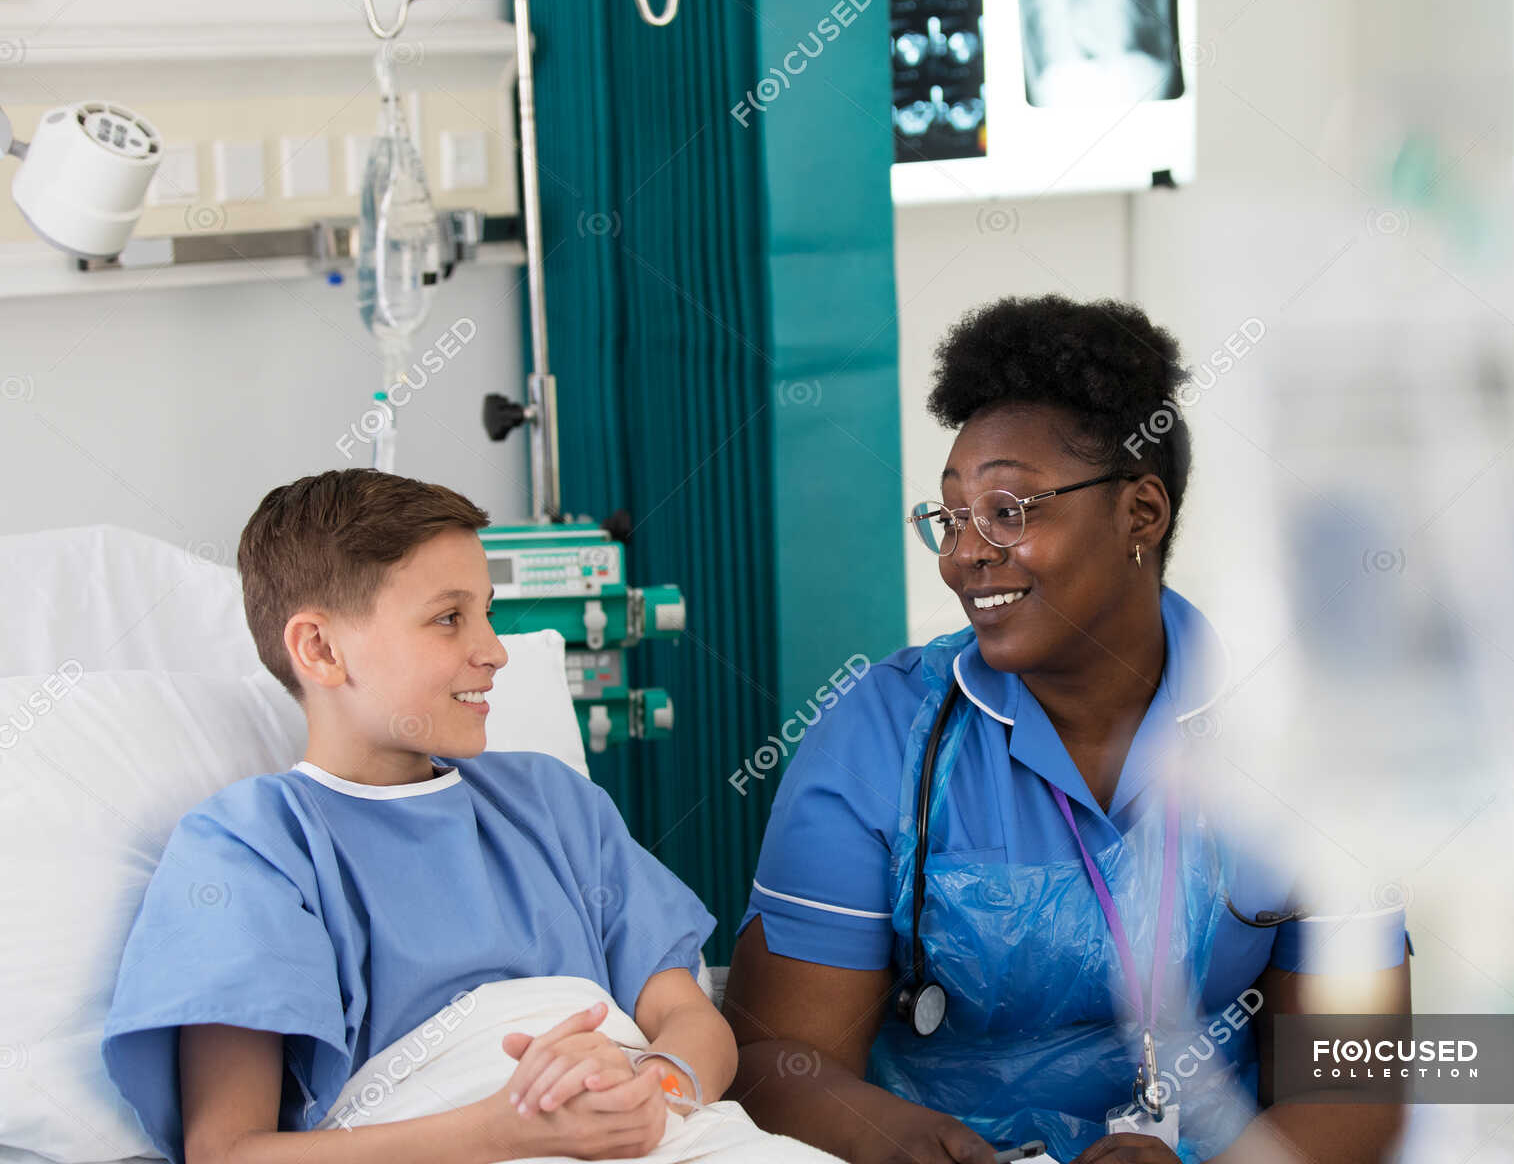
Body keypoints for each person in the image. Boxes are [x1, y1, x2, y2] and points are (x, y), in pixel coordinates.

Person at [723, 295, 1412, 1164]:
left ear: (1142, 515)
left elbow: (1358, 1081)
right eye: (949, 516)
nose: (962, 553)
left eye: (1009, 511)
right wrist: (909, 1144)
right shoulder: (877, 738)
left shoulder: (1298, 734)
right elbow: (778, 1062)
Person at [101, 469, 735, 1164]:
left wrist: (657, 1086)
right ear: (320, 649)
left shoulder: (552, 804)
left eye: (488, 612)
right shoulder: (255, 848)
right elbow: (227, 1153)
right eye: (448, 618)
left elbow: (687, 1018)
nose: (494, 651)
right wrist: (509, 1129)